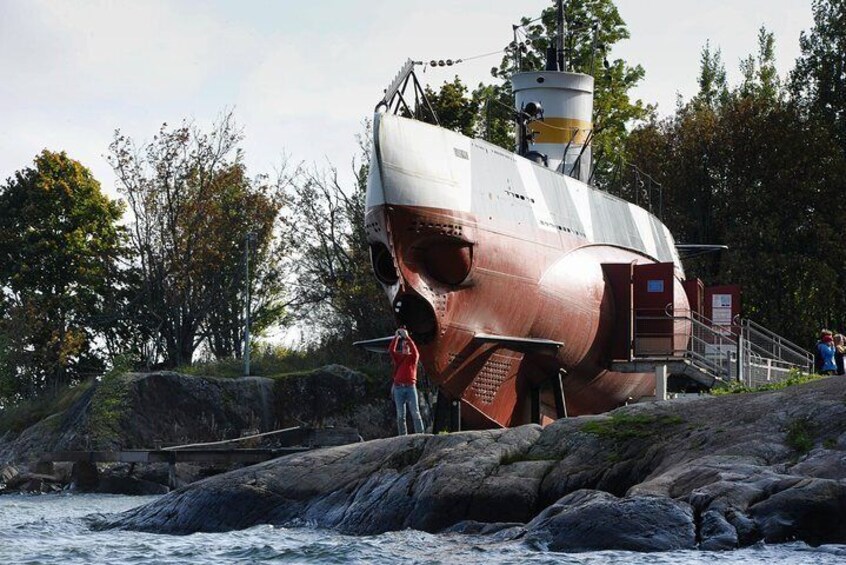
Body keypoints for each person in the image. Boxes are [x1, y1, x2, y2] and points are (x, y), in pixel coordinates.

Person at [389, 327, 424, 435]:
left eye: (407, 346)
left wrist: (407, 337)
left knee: (415, 412)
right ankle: (402, 437)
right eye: (404, 345)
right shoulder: (398, 357)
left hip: (410, 387)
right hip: (398, 387)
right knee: (400, 415)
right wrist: (396, 337)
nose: (405, 347)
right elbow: (391, 350)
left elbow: (416, 351)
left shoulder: (413, 357)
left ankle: (420, 434)